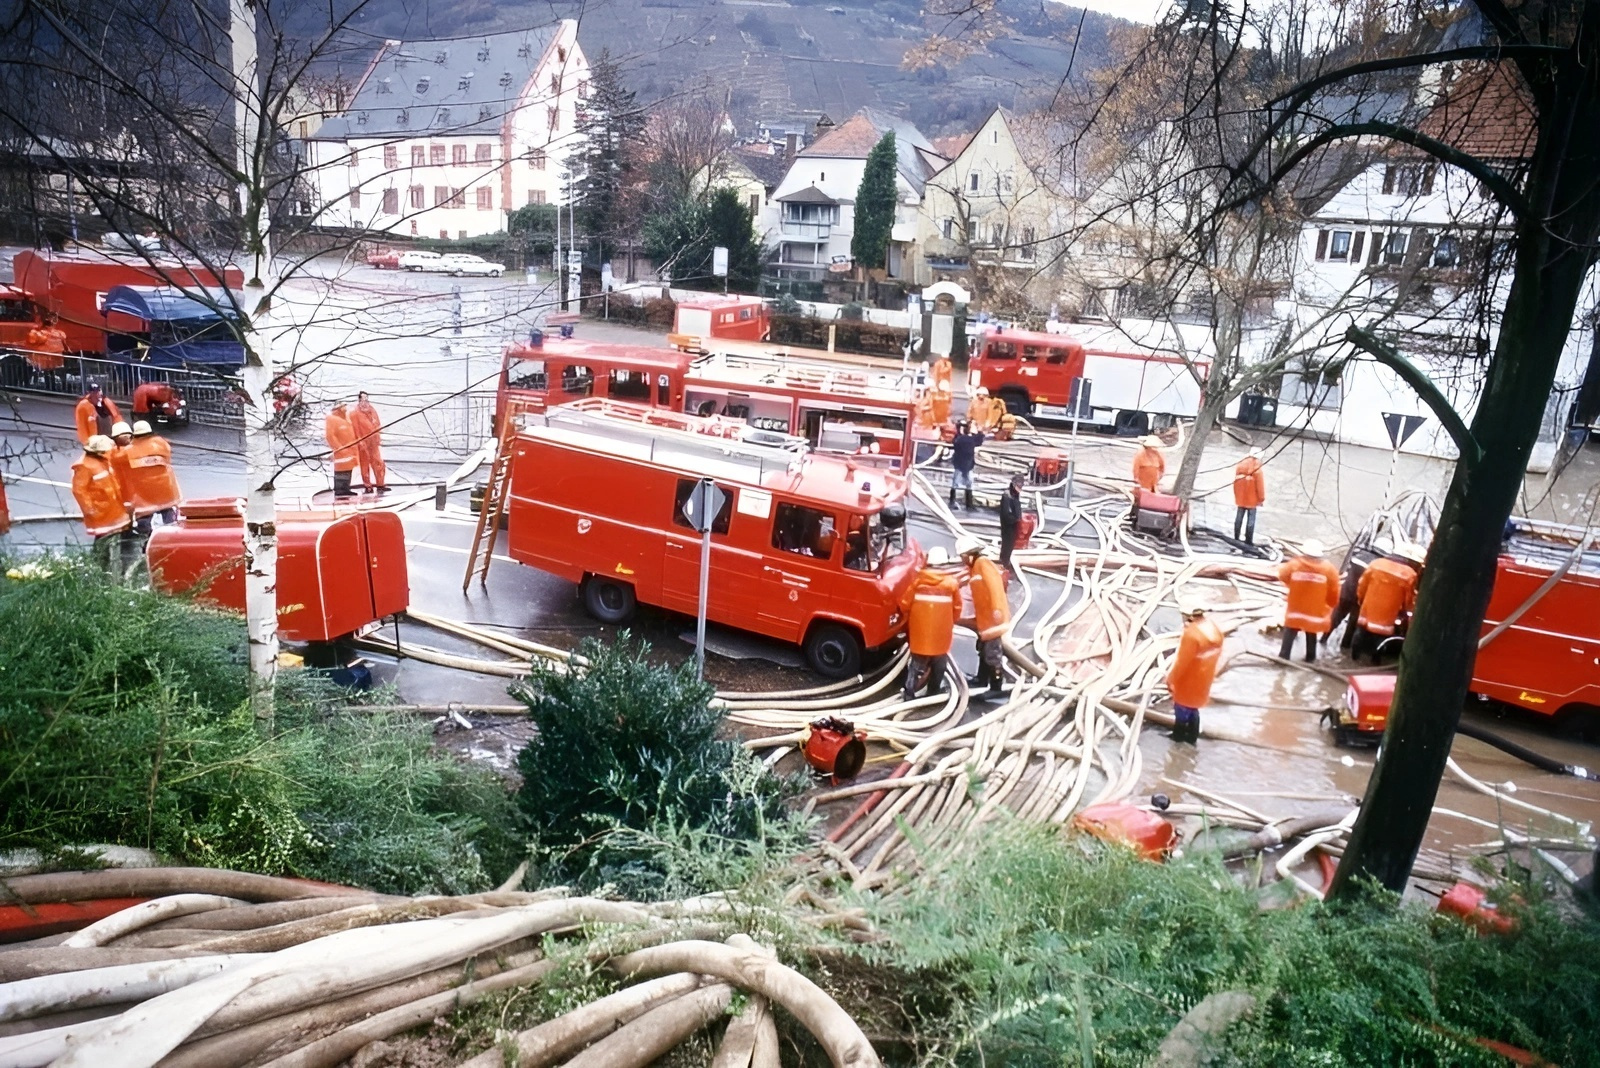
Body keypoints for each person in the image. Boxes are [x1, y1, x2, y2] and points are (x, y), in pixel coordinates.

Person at [900, 546, 961, 701]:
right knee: (939, 665)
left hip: (920, 635)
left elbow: (904, 604)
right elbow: (957, 609)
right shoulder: (951, 584)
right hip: (941, 635)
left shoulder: (918, 582)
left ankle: (909, 693)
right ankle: (933, 693)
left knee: (916, 665)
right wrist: (948, 622)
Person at [957, 535, 1011, 702]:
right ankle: (982, 679)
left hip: (992, 618)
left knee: (992, 653)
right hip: (985, 618)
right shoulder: (975, 568)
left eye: (963, 556)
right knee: (983, 648)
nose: (962, 560)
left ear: (970, 554)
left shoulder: (983, 564)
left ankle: (996, 686)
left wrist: (996, 611)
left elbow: (994, 588)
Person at [71, 434, 134, 576]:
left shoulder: (102, 461)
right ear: (98, 451)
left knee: (114, 536)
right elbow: (79, 491)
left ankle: (109, 566)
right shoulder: (84, 466)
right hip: (101, 511)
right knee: (103, 539)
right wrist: (90, 509)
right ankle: (99, 567)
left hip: (112, 508)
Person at [1352, 540, 1421, 663]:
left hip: (1368, 607)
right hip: (1388, 613)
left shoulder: (1376, 564)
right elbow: (1409, 598)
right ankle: (1375, 660)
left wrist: (1361, 600)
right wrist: (1407, 610)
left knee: (1361, 632)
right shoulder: (1410, 574)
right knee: (1381, 639)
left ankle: (1354, 656)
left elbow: (1362, 585)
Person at [1167, 600, 1224, 743]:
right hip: (1205, 678)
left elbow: (1181, 662)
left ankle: (1178, 739)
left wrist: (1171, 680)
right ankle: (1192, 739)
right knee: (1193, 709)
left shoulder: (1191, 635)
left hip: (1189, 679)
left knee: (1182, 709)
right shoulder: (1213, 628)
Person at [1277, 539, 1341, 662]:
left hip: (1295, 609)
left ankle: (1283, 658)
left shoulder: (1294, 565)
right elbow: (1334, 591)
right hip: (1314, 612)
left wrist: (1294, 586)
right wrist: (1331, 604)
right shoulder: (1329, 570)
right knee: (1311, 633)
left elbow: (1282, 576)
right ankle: (1310, 659)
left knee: (1290, 631)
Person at [124, 420, 182, 534]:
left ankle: (147, 537)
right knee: (168, 516)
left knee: (144, 519)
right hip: (165, 489)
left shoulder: (129, 450)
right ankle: (172, 536)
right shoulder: (161, 444)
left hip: (145, 493)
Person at [350, 391, 387, 492]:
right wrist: (359, 441)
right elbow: (355, 429)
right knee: (365, 464)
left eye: (366, 399)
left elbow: (377, 424)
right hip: (363, 442)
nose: (365, 402)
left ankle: (380, 484)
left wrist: (378, 437)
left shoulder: (372, 410)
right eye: (363, 399)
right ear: (359, 400)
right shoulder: (354, 413)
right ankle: (367, 486)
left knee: (378, 462)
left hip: (373, 442)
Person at [1232, 449, 1266, 544]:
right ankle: (1248, 540)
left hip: (1241, 497)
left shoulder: (1240, 465)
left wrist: (1237, 496)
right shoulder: (1257, 468)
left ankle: (1236, 537)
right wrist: (1261, 499)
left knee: (1239, 517)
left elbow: (1235, 483)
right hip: (1252, 498)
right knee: (1251, 520)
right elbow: (1260, 485)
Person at [325, 403, 359, 498]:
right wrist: (339, 448)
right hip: (341, 450)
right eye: (343, 406)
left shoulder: (346, 418)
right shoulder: (332, 419)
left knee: (348, 469)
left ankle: (346, 488)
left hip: (349, 450)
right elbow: (330, 436)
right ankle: (340, 489)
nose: (345, 408)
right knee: (341, 469)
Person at [949, 420, 984, 510]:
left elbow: (955, 442)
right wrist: (979, 431)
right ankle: (969, 504)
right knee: (968, 484)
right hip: (967, 465)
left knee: (956, 483)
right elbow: (980, 440)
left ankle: (953, 501)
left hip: (960, 464)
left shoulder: (959, 438)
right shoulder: (969, 439)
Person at [24, 316, 67, 387]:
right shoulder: (59, 333)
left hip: (45, 358)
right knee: (53, 373)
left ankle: (49, 386)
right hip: (56, 357)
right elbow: (64, 343)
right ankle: (55, 387)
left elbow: (32, 341)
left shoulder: (40, 333)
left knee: (48, 372)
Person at [998, 473, 1024, 573]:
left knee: (1010, 544)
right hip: (1008, 524)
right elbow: (1006, 512)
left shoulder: (1015, 494)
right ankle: (1003, 562)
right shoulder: (1007, 495)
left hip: (1013, 523)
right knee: (1007, 543)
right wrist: (1014, 519)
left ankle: (1005, 561)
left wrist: (1018, 518)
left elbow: (1016, 507)